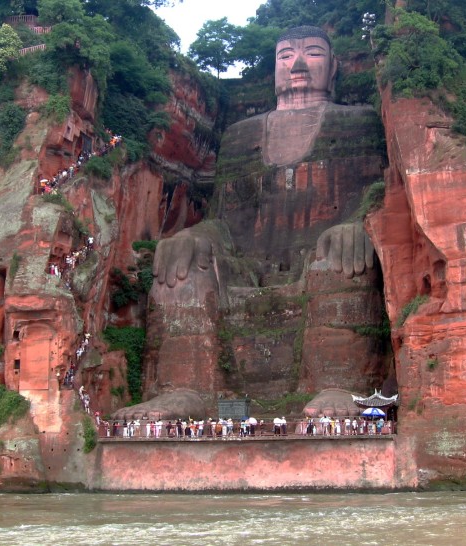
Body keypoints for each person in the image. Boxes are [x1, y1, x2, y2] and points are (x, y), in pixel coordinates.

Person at [137, 25, 386, 420]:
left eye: (313, 54)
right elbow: (220, 220)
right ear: (274, 67)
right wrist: (192, 234)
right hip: (246, 266)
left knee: (341, 261)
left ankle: (337, 386)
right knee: (182, 268)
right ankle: (186, 389)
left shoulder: (359, 122)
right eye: (286, 56)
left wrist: (358, 226)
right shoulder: (239, 136)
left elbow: (377, 199)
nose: (298, 64)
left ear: (334, 66)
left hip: (320, 257)